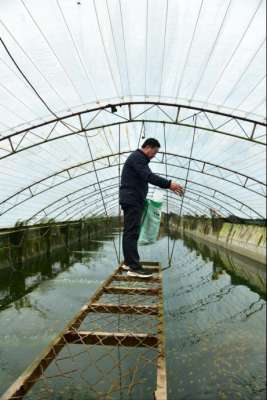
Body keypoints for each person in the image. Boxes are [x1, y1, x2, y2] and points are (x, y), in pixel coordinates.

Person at [119, 138, 184, 278]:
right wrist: (169, 184)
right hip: (132, 199)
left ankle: (129, 262)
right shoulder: (137, 158)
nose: (154, 155)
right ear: (148, 147)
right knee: (132, 232)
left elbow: (144, 177)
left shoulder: (138, 159)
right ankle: (134, 268)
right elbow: (148, 176)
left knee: (130, 231)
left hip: (132, 199)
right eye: (154, 152)